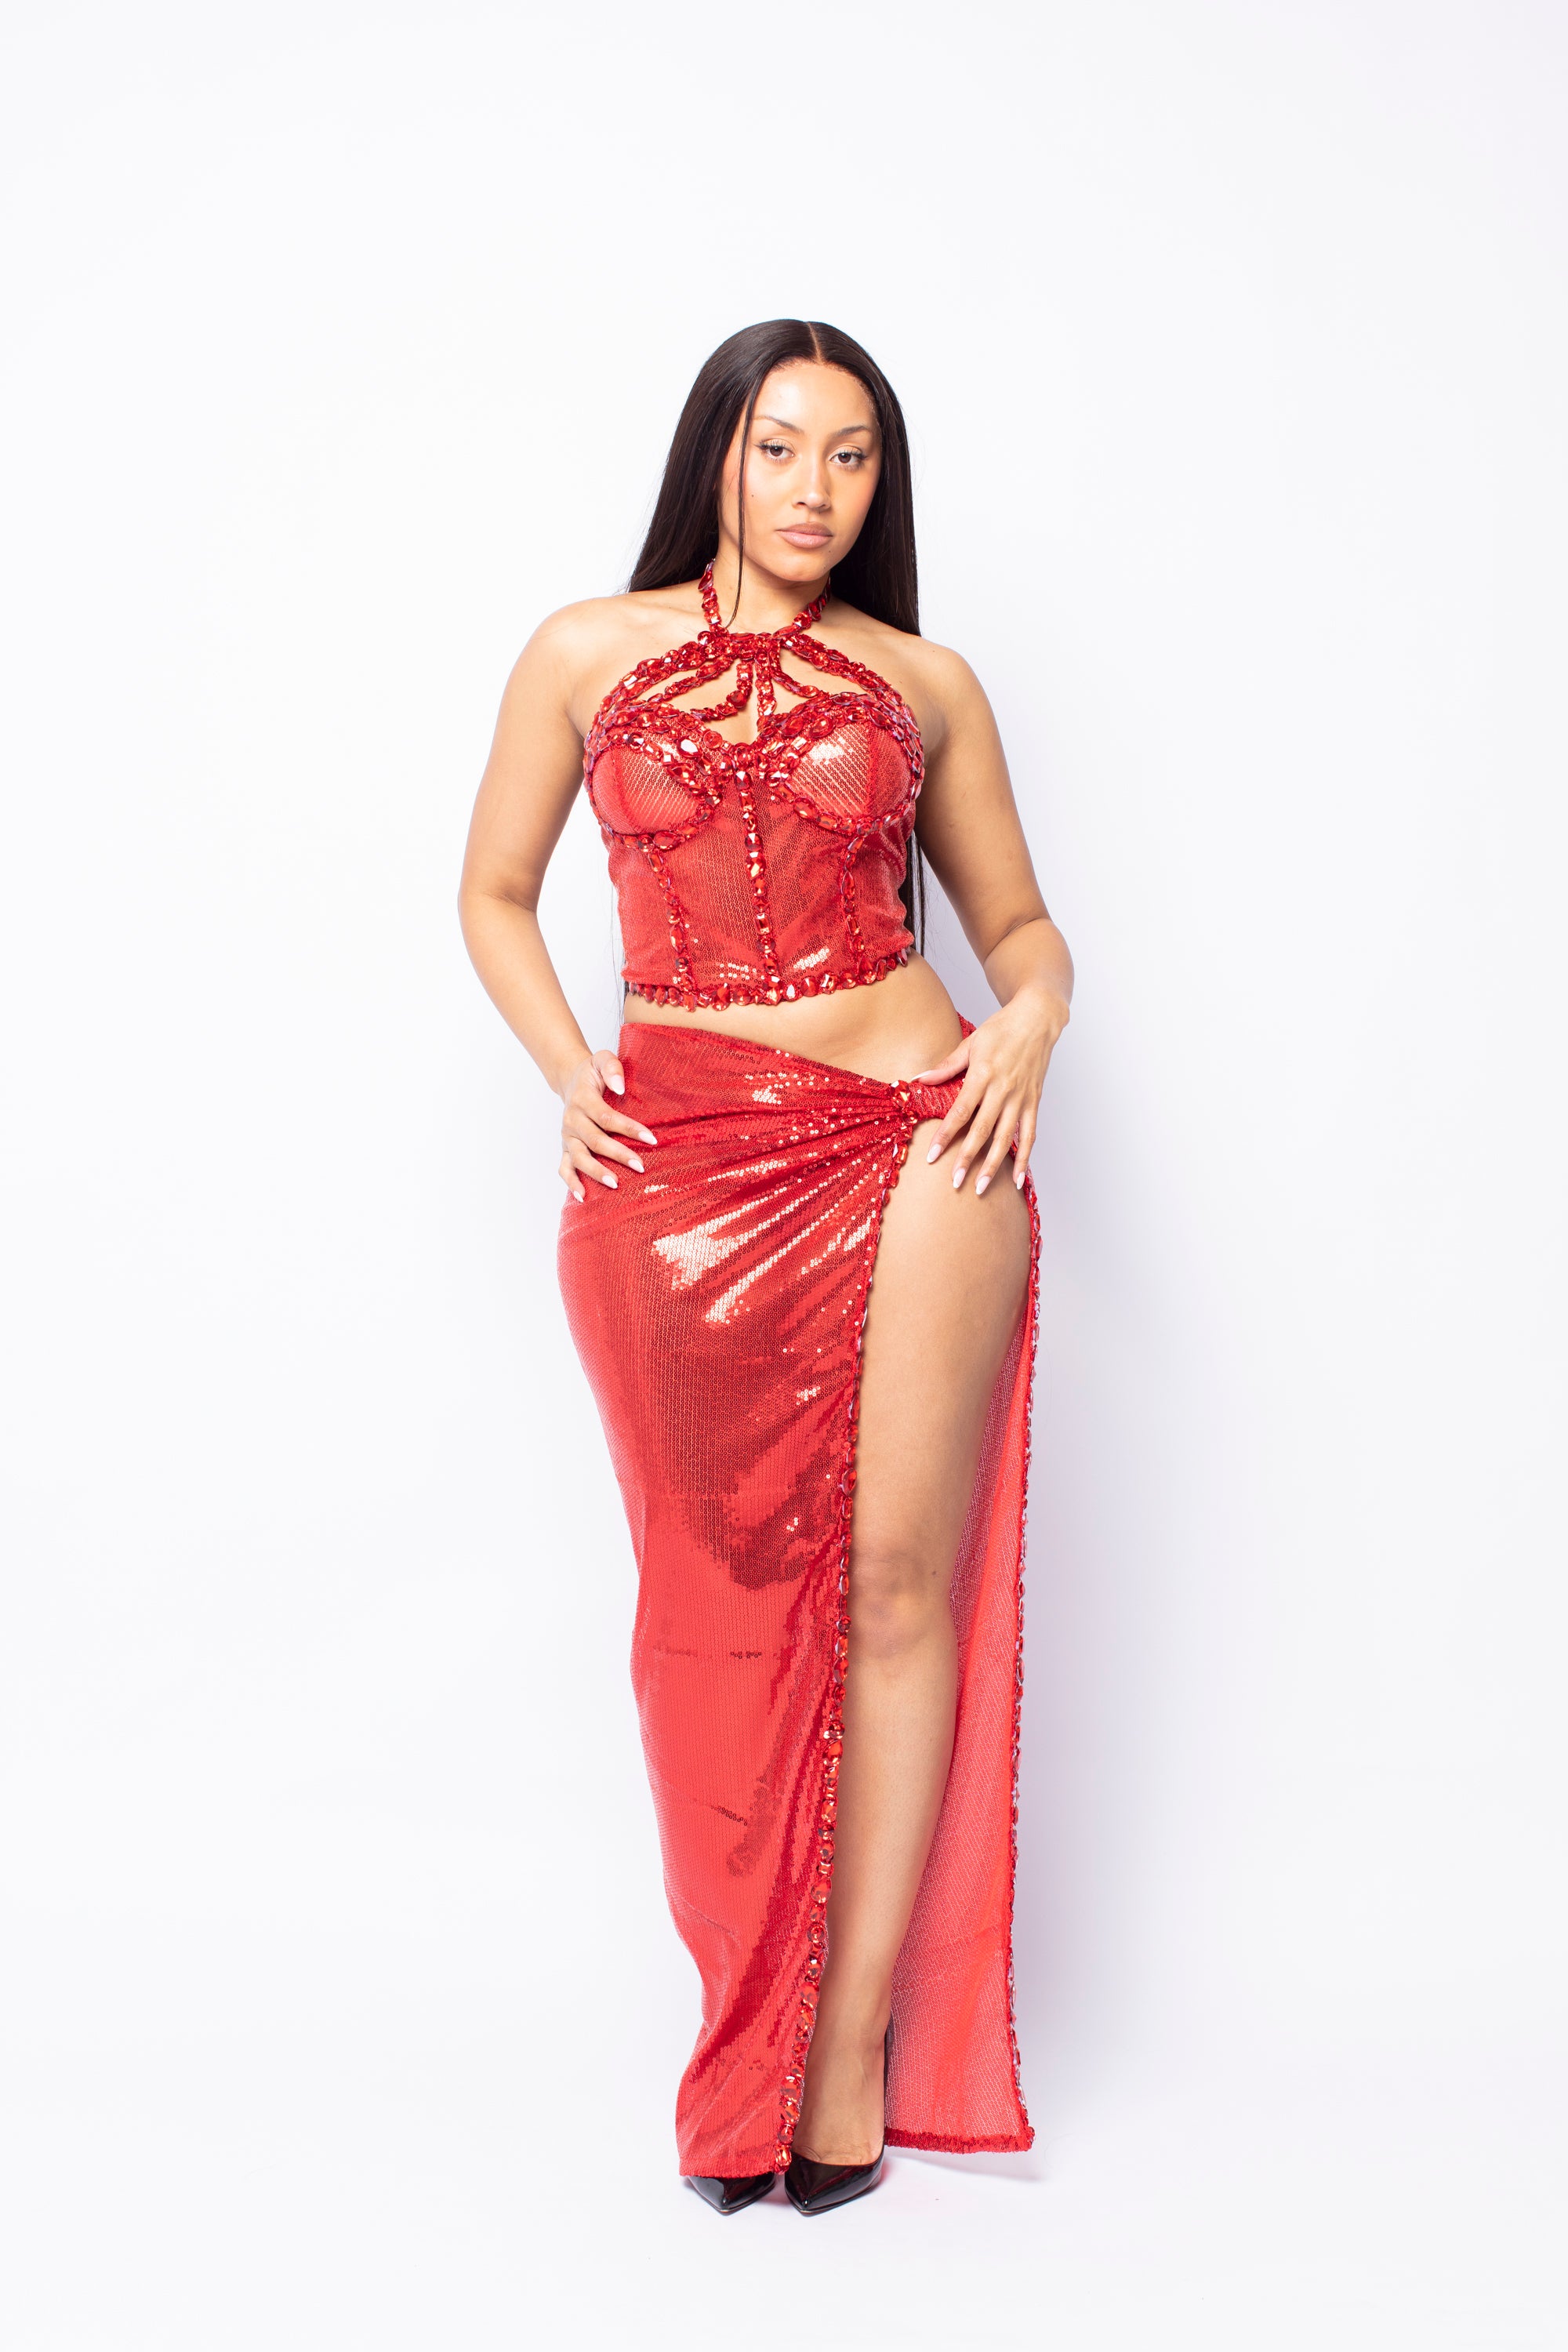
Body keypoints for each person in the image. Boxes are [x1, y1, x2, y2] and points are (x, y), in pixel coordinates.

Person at [459, 320, 1073, 2216]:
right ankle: (746, 2020)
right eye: (781, 446)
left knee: (895, 1584)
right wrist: (569, 1071)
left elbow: (1019, 928)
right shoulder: (584, 650)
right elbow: (491, 892)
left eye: (853, 455)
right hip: (678, 1163)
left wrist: (1030, 1021)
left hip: (919, 1136)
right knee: (709, 1605)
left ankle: (847, 2049)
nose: (816, 489)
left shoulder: (924, 682)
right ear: (715, 455)